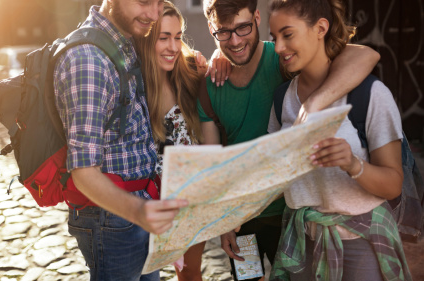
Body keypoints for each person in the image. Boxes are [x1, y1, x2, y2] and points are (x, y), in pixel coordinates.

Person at [200, 0, 380, 280]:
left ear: (257, 17)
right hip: (243, 220)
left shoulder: (283, 57)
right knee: (248, 278)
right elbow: (215, 165)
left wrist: (314, 104)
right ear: (211, 30)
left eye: (243, 27)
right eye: (223, 32)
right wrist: (225, 221)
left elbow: (365, 55)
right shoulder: (211, 83)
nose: (234, 41)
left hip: (292, 216)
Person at [267, 0, 412, 280]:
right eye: (274, 38)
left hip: (362, 246)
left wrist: (352, 164)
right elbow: (276, 175)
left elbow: (394, 185)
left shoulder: (371, 93)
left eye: (288, 34)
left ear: (321, 28)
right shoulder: (281, 99)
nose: (279, 48)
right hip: (303, 242)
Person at [52, 1, 188, 280]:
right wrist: (140, 211)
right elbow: (84, 172)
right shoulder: (88, 59)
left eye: (158, 3)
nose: (153, 14)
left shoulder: (124, 39)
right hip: (113, 219)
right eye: (144, 2)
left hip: (135, 210)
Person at [135, 2, 207, 280]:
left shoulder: (189, 74)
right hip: (152, 205)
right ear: (147, 39)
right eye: (163, 37)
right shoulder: (134, 87)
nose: (173, 47)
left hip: (191, 199)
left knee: (189, 272)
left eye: (177, 37)